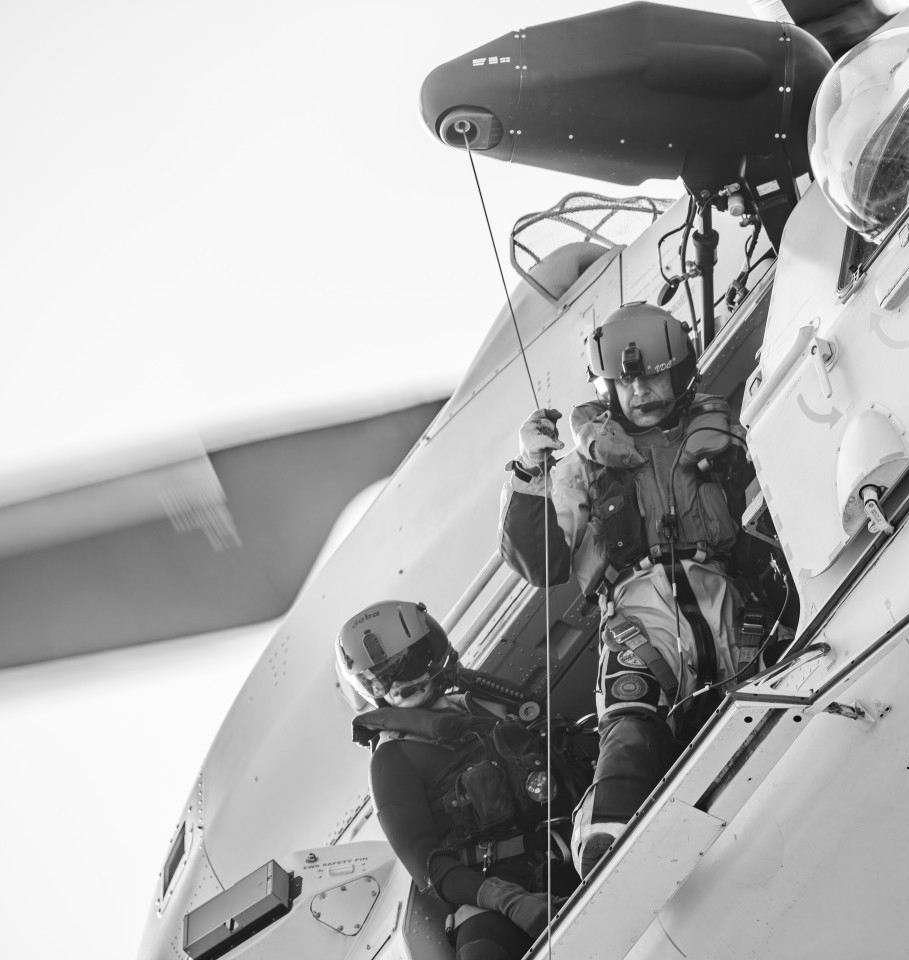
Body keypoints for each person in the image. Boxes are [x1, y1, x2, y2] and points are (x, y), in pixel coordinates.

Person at [498, 302, 785, 877]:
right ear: (608, 388)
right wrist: (530, 470)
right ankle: (606, 835)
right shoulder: (580, 467)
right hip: (639, 613)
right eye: (628, 381)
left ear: (680, 374)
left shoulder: (727, 438)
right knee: (632, 723)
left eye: (654, 375)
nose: (643, 391)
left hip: (727, 602)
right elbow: (540, 563)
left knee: (767, 702)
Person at [336, 599, 582, 960]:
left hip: (571, 842)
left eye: (403, 667)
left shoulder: (480, 706)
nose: (392, 686)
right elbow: (428, 868)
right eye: (376, 679)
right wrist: (508, 900)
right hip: (493, 894)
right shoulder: (391, 760)